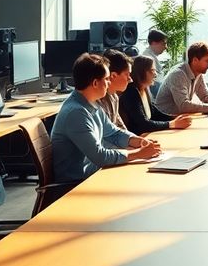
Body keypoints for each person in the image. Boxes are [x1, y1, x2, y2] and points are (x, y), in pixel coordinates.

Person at [50, 53, 162, 184]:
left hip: (93, 172)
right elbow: (100, 156)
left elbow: (113, 132)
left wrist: (137, 141)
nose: (109, 83)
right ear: (95, 83)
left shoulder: (92, 103)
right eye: (107, 78)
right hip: (77, 183)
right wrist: (138, 154)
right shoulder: (76, 113)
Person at [153, 41, 208, 116]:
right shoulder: (178, 75)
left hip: (179, 117)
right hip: (165, 119)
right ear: (195, 60)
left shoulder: (198, 73)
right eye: (207, 61)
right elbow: (184, 105)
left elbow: (205, 95)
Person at [120, 55, 192, 135]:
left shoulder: (145, 88)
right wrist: (172, 124)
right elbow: (143, 123)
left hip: (148, 133)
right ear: (141, 72)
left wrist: (175, 118)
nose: (155, 74)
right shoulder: (131, 92)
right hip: (139, 137)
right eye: (152, 70)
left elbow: (154, 112)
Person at [94, 49, 133, 131]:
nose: (130, 79)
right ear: (113, 75)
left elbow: (121, 128)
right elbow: (107, 135)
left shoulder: (114, 97)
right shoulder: (96, 100)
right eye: (127, 74)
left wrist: (136, 140)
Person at [142, 29, 168, 96]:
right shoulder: (147, 58)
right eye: (164, 43)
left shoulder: (151, 56)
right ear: (154, 43)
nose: (166, 47)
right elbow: (153, 85)